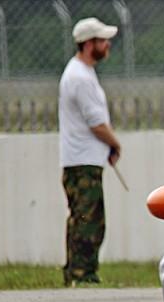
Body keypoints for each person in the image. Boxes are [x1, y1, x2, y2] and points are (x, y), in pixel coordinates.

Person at [58, 17, 121, 287]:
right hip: (83, 160)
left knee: (83, 218)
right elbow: (96, 123)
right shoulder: (80, 77)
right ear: (88, 44)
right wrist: (115, 143)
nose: (108, 44)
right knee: (89, 222)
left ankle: (75, 272)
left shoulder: (82, 72)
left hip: (84, 158)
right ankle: (83, 275)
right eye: (102, 40)